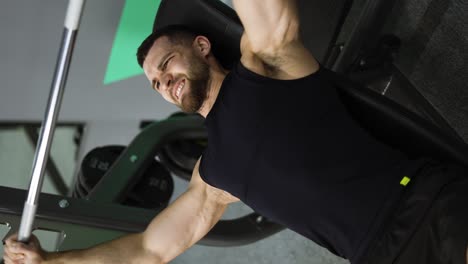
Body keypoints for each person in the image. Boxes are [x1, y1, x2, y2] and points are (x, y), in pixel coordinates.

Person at [4, 0, 468, 263]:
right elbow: (148, 249)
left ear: (202, 47)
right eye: (156, 83)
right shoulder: (213, 177)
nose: (164, 82)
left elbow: (269, 15)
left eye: (167, 64)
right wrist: (53, 263)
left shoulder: (266, 68)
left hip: (421, 206)